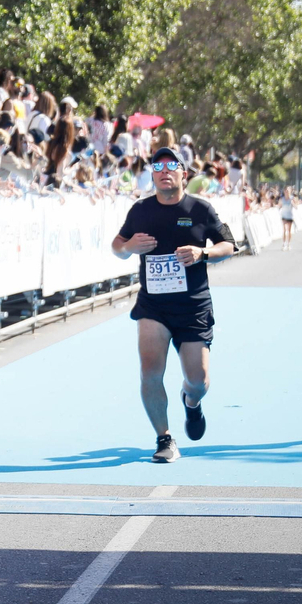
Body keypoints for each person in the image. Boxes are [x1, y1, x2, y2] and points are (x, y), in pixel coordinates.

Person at [110, 147, 236, 462]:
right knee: (150, 371)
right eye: (158, 166)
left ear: (183, 173)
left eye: (171, 165)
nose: (164, 171)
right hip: (153, 307)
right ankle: (164, 438)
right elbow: (117, 246)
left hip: (193, 307)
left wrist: (202, 253)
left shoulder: (201, 209)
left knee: (198, 381)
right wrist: (128, 246)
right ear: (152, 174)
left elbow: (229, 245)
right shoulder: (140, 210)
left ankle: (191, 402)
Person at [279, 186, 295, 250]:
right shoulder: (282, 199)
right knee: (285, 229)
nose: (287, 192)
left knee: (289, 230)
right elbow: (279, 206)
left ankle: (288, 244)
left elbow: (296, 206)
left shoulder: (292, 198)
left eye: (288, 191)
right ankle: (284, 243)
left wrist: (292, 203)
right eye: (286, 191)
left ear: (290, 191)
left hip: (290, 216)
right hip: (284, 216)